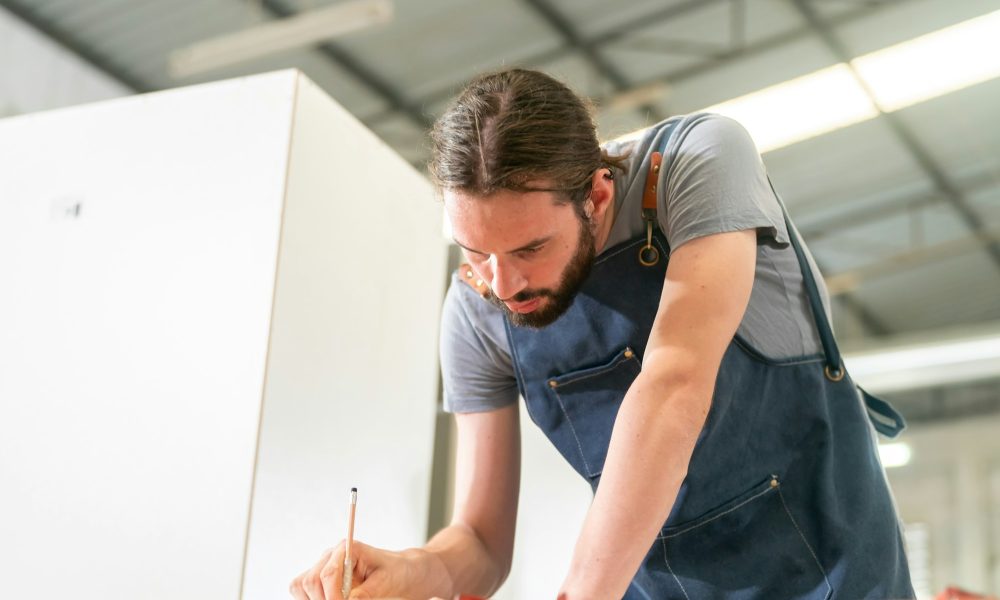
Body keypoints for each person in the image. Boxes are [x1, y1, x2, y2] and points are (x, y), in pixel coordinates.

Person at [290, 68, 914, 599]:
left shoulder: (693, 165)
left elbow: (674, 383)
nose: (502, 283)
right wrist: (417, 569)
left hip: (831, 564)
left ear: (596, 190)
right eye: (476, 250)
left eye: (531, 246)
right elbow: (480, 541)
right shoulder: (475, 310)